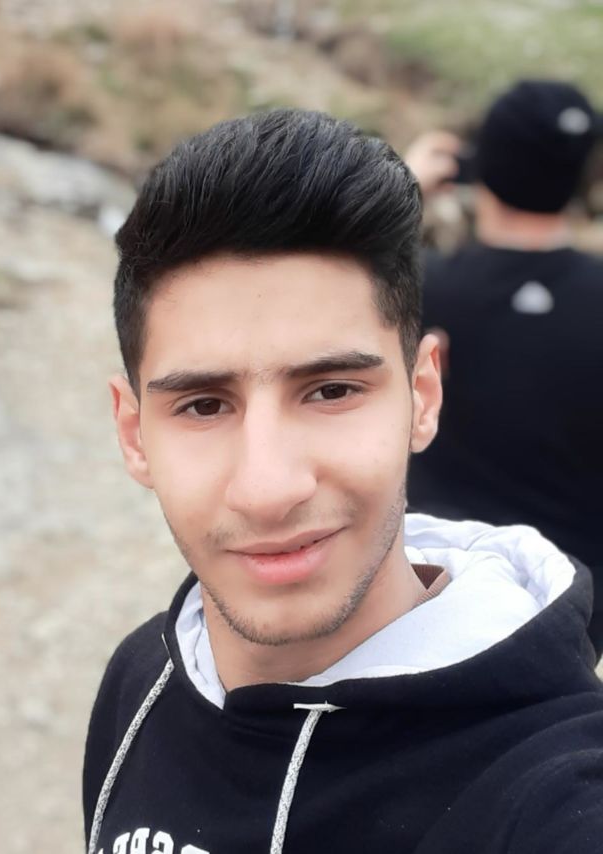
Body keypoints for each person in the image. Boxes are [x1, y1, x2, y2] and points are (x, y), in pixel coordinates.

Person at [83, 109, 603, 854]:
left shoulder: (551, 798)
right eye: (203, 405)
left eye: (331, 391)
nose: (268, 489)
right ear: (134, 434)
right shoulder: (141, 679)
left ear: (422, 396)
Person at [406, 80, 603, 654]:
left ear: (480, 167)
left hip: (432, 592)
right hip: (573, 610)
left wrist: (403, 193)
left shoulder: (419, 291)